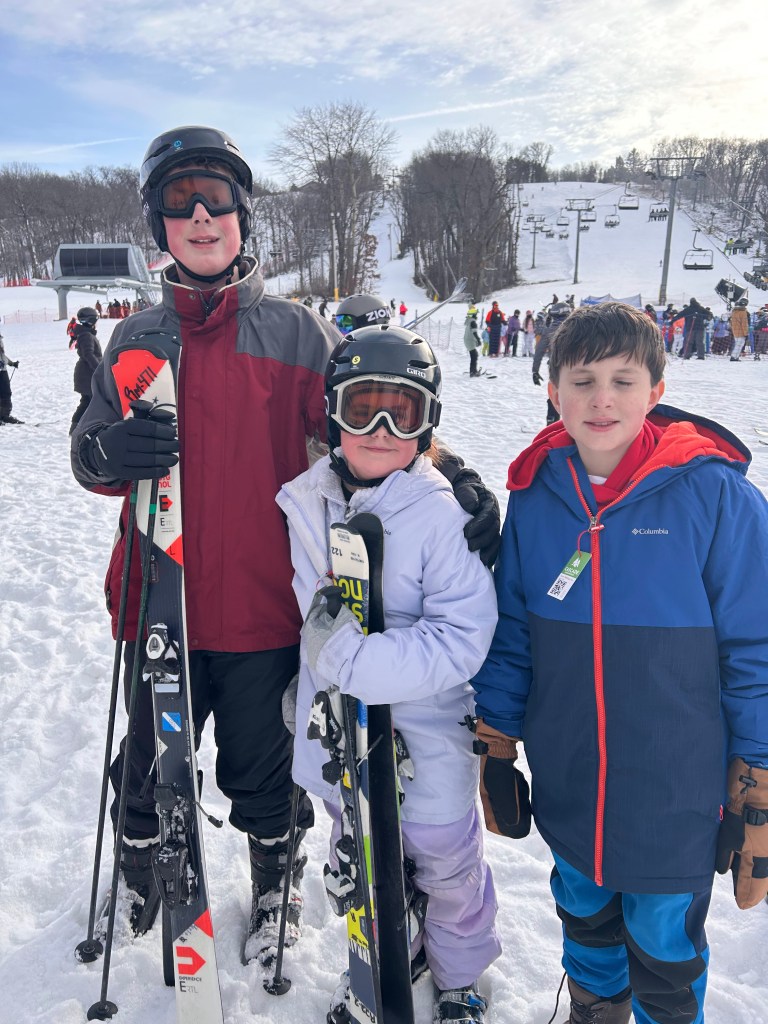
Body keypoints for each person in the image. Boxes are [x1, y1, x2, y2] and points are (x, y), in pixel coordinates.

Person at [70, 125, 501, 951]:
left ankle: (274, 876)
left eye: (217, 198)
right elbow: (88, 452)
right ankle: (139, 868)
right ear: (159, 223)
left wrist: (457, 477)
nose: (201, 216)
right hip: (158, 604)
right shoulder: (135, 339)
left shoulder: (300, 335)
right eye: (180, 201)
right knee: (146, 761)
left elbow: (375, 419)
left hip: (265, 611)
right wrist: (106, 452)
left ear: (243, 213)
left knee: (263, 767)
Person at [471, 301, 768, 1024]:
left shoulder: (715, 495)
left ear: (656, 391)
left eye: (623, 381)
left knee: (665, 944)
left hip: (676, 787)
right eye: (582, 381)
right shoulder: (537, 496)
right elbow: (514, 629)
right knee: (584, 916)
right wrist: (496, 739)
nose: (601, 399)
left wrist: (758, 771)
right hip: (570, 773)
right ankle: (594, 1011)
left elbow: (755, 644)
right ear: (554, 392)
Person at [277, 325, 500, 1024]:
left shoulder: (441, 515)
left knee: (448, 870)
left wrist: (352, 664)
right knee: (361, 858)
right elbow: (315, 615)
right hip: (345, 740)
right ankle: (379, 967)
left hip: (427, 741)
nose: (380, 431)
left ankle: (458, 980)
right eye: (362, 408)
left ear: (427, 423)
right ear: (332, 415)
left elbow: (462, 637)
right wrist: (312, 690)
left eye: (401, 413)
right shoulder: (308, 500)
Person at [532, 301, 571, 424]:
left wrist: (535, 371)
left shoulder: (548, 331)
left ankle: (551, 422)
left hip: (555, 368)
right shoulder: (575, 329)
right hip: (572, 368)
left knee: (554, 394)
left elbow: (539, 352)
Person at [68, 307, 103, 435]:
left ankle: (79, 427)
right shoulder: (86, 335)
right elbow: (88, 354)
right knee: (89, 401)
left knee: (88, 401)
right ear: (91, 321)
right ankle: (76, 429)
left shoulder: (85, 334)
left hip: (87, 372)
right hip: (87, 374)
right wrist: (99, 369)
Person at [0, 333, 20, 424]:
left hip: (3, 371)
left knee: (5, 394)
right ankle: (4, 417)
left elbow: (2, 356)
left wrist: (12, 363)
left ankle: (3, 416)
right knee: (5, 394)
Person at [464, 304, 483, 376]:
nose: (477, 315)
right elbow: (474, 333)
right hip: (470, 341)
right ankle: (473, 372)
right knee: (474, 356)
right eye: (476, 314)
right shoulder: (473, 322)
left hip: (467, 340)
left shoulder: (469, 321)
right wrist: (478, 340)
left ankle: (473, 370)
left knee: (474, 355)